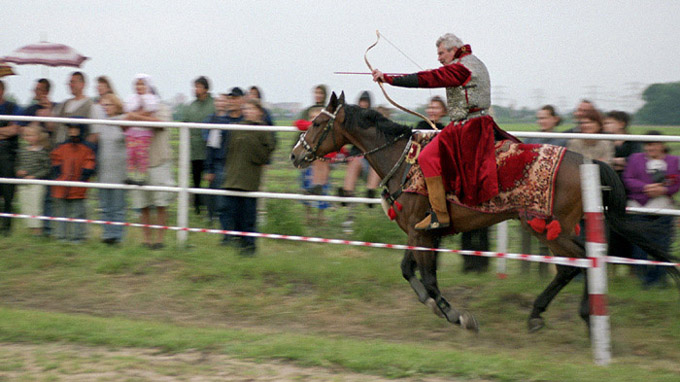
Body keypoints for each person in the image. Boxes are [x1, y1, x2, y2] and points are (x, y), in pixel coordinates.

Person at [372, 33, 517, 231]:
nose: (439, 58)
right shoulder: (472, 62)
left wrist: (388, 78)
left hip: (468, 127)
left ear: (452, 50)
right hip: (475, 124)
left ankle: (440, 215)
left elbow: (429, 78)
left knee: (427, 158)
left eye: (441, 53)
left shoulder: (461, 67)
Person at [218, 98, 276, 255]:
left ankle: (250, 246)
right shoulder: (236, 128)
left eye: (252, 108)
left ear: (259, 111)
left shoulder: (264, 130)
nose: (249, 111)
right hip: (232, 177)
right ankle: (238, 242)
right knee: (232, 212)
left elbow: (264, 155)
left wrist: (250, 140)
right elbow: (227, 150)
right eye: (246, 108)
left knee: (248, 215)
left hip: (249, 179)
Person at [623, 131, 680, 288]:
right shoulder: (635, 159)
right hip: (639, 209)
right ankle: (643, 280)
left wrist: (664, 190)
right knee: (640, 245)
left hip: (664, 209)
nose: (650, 148)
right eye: (647, 144)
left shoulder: (674, 161)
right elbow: (628, 179)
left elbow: (676, 182)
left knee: (662, 245)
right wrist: (645, 187)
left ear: (662, 145)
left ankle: (659, 279)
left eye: (654, 144)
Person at [124, 94, 175, 249]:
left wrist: (136, 117)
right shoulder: (132, 108)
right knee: (142, 203)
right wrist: (135, 115)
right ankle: (146, 240)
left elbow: (161, 124)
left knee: (161, 203)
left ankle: (159, 240)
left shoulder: (162, 109)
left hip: (158, 161)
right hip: (139, 166)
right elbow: (123, 125)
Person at [90, 93, 127, 245]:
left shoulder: (124, 121)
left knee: (118, 206)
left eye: (108, 105)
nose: (105, 108)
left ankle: (117, 237)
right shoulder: (100, 123)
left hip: (119, 171)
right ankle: (107, 235)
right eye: (103, 105)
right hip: (104, 170)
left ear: (116, 106)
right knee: (105, 206)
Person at [50, 121, 96, 243]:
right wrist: (59, 173)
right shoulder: (61, 147)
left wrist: (84, 175)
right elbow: (55, 159)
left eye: (75, 128)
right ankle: (61, 237)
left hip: (78, 185)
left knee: (78, 212)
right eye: (70, 129)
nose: (72, 131)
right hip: (62, 185)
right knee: (61, 212)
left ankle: (77, 237)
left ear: (81, 130)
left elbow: (90, 162)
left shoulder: (88, 148)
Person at [203, 91, 243, 223]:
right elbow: (211, 146)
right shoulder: (219, 122)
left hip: (238, 165)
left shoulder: (244, 121)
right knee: (222, 202)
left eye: (234, 99)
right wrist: (209, 168)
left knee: (237, 200)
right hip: (221, 164)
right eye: (230, 99)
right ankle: (226, 233)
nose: (231, 102)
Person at [338, 91, 381, 207]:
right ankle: (347, 193)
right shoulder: (353, 122)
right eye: (361, 101)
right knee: (355, 161)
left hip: (374, 160)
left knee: (375, 163)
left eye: (365, 102)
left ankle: (370, 194)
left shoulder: (376, 122)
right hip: (359, 159)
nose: (363, 104)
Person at [182, 76, 215, 214]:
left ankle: (211, 209)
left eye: (199, 87)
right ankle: (196, 208)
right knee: (195, 179)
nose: (196, 90)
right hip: (194, 151)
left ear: (206, 88)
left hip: (209, 150)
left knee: (211, 180)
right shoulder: (191, 106)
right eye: (195, 87)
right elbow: (184, 123)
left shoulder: (213, 104)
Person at [123, 73, 161, 185]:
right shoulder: (131, 98)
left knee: (141, 154)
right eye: (137, 84)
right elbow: (128, 112)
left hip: (143, 132)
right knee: (131, 153)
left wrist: (134, 116)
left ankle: (141, 177)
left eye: (142, 85)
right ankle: (131, 175)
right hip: (132, 131)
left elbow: (148, 111)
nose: (139, 87)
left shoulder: (151, 99)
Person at [15, 122, 51, 236]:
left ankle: (38, 230)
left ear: (38, 136)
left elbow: (47, 168)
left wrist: (35, 176)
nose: (28, 138)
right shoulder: (22, 150)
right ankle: (31, 229)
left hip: (36, 183)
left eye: (31, 135)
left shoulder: (42, 151)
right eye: (26, 135)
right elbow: (18, 164)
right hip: (23, 183)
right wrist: (19, 170)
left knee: (36, 206)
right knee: (26, 205)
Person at [0, 80, 23, 236]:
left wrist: (7, 131)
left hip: (8, 155)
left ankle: (7, 227)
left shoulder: (13, 107)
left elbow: (15, 130)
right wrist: (4, 131)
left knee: (8, 192)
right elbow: (8, 130)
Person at [603, 111, 642, 175]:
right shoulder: (603, 141)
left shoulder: (634, 141)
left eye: (608, 123)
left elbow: (636, 160)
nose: (604, 126)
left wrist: (611, 161)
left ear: (621, 124)